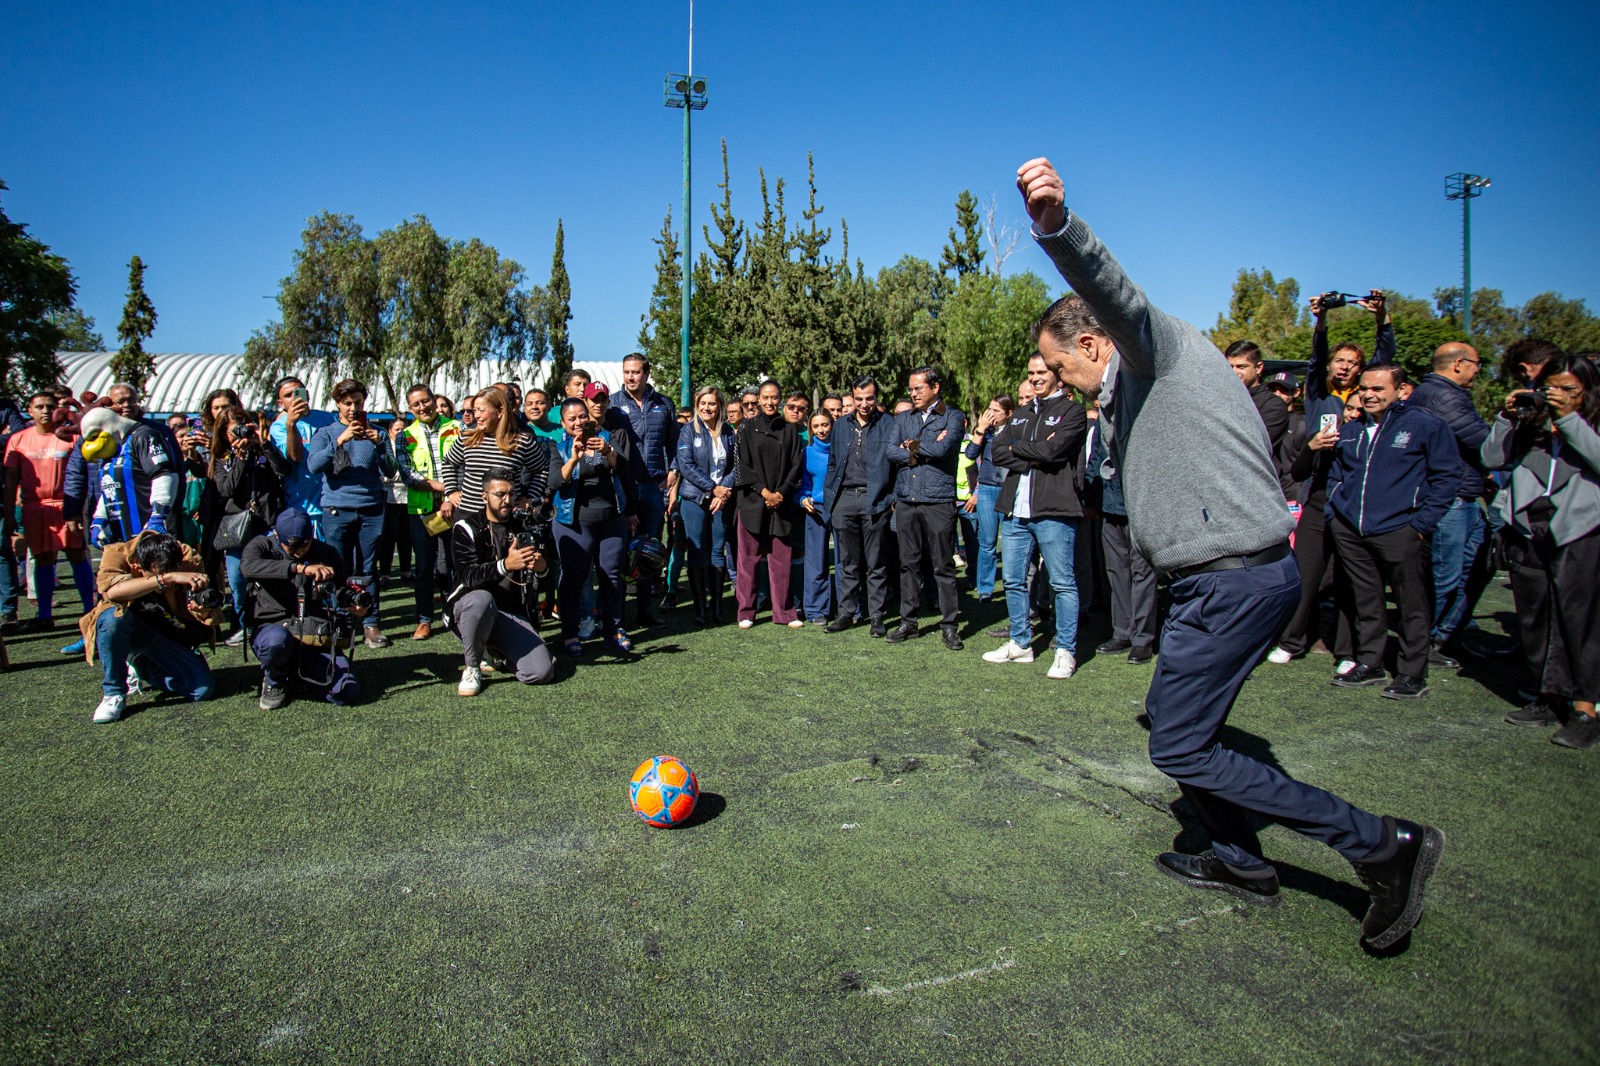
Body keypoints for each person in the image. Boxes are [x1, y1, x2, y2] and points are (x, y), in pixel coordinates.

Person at [1018, 155, 1442, 951]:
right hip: (1215, 582)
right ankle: (1238, 859)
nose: (1064, 382)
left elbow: (1117, 293)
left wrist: (1056, 228)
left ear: (1093, 341)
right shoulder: (1129, 390)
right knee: (1184, 728)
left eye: (1064, 365)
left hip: (1234, 582)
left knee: (1179, 742)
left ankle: (1385, 846)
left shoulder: (1160, 350)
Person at [1481, 354, 1600, 749]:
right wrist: (1506, 416)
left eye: (1571, 389)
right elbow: (1491, 458)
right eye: (1553, 388)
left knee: (1580, 623)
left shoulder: (1589, 424)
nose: (1561, 396)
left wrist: (1569, 420)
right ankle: (1549, 697)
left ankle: (1586, 709)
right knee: (1534, 619)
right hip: (1528, 531)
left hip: (1580, 533)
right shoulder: (1530, 421)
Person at [1325, 365, 1462, 699]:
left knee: (1411, 602)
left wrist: (1420, 524)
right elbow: (1337, 473)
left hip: (1401, 529)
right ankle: (1370, 662)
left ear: (1402, 390)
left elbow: (1447, 476)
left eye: (1379, 388)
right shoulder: (1352, 429)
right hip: (1351, 529)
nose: (1370, 394)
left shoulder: (1425, 427)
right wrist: (1334, 511)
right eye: (1365, 388)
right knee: (1365, 598)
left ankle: (1412, 672)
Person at [984, 354, 1089, 676]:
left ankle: (1066, 650)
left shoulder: (1072, 411)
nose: (1035, 378)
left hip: (1054, 510)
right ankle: (1020, 643)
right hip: (1016, 512)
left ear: (1058, 375)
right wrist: (1032, 450)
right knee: (1014, 580)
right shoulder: (1023, 413)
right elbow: (999, 451)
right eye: (1030, 373)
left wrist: (1021, 448)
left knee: (1062, 583)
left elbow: (1055, 452)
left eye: (1041, 372)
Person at [1404, 342, 1491, 667]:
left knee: (1475, 567)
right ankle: (1424, 643)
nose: (1478, 369)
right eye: (1476, 363)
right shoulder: (1442, 396)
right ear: (1458, 364)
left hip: (1464, 494)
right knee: (1444, 575)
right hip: (1449, 499)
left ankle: (1445, 636)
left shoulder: (1446, 394)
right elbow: (1485, 443)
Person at [77, 529, 219, 723]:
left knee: (202, 689)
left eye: (172, 571)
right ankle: (114, 692)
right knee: (112, 617)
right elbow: (112, 593)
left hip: (165, 631)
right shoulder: (117, 553)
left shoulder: (188, 557)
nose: (167, 582)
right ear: (140, 564)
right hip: (129, 626)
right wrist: (165, 579)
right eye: (160, 572)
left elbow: (205, 609)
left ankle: (141, 666)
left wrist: (199, 609)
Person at [1268, 393, 1363, 671]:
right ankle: (1290, 641)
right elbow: (1298, 472)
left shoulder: (1365, 437)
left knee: (1348, 582)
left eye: (1359, 410)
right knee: (1304, 576)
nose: (1353, 414)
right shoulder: (1325, 435)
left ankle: (1347, 650)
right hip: (1317, 508)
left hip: (1352, 514)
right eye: (1349, 409)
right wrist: (1312, 447)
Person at [445, 469, 555, 696]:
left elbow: (544, 585)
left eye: (512, 493)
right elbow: (467, 576)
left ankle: (496, 653)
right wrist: (505, 565)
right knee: (481, 600)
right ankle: (472, 665)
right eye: (500, 494)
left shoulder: (525, 527)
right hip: (471, 608)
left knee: (541, 672)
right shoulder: (466, 527)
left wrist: (542, 569)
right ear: (485, 496)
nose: (507, 500)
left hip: (512, 612)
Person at [307, 378, 397, 650]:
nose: (353, 408)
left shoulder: (377, 432)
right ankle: (342, 621)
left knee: (368, 569)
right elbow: (314, 466)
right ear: (337, 404)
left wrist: (380, 444)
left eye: (358, 402)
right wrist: (340, 440)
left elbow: (391, 471)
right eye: (347, 403)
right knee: (339, 568)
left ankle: (371, 624)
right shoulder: (325, 432)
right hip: (337, 509)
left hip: (371, 509)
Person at [241, 508, 361, 709]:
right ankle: (275, 680)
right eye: (292, 548)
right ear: (277, 535)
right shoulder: (262, 546)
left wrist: (353, 602)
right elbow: (248, 567)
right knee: (276, 643)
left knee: (347, 693)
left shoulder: (324, 552)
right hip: (272, 627)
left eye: (304, 546)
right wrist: (299, 568)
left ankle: (300, 675)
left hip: (311, 633)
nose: (299, 552)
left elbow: (340, 589)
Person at [884, 368, 967, 649]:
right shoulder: (904, 417)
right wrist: (922, 447)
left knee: (943, 564)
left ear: (935, 387)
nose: (913, 394)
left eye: (918, 388)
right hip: (907, 500)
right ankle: (908, 622)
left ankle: (949, 625)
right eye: (910, 389)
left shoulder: (953, 417)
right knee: (908, 564)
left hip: (938, 502)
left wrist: (910, 447)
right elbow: (889, 451)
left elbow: (945, 450)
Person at [2, 391, 96, 630]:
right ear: (29, 411)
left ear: (59, 410)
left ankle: (90, 610)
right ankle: (44, 615)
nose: (45, 411)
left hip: (67, 505)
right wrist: (11, 515)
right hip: (34, 507)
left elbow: (84, 473)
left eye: (50, 406)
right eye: (40, 406)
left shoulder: (71, 437)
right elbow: (11, 480)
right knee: (42, 559)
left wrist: (81, 507)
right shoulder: (19, 439)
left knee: (76, 555)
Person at [549, 397, 633, 654]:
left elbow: (624, 468)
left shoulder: (607, 436)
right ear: (563, 423)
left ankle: (614, 629)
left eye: (582, 416)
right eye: (572, 418)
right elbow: (554, 482)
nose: (578, 422)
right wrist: (573, 458)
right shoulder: (556, 444)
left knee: (611, 575)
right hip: (573, 522)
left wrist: (607, 451)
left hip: (610, 519)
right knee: (573, 577)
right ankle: (570, 633)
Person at [1085, 389, 1158, 663]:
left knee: (1142, 574)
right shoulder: (1104, 424)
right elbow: (1094, 463)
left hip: (1139, 510)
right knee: (1116, 572)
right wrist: (1091, 500)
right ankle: (1122, 631)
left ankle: (1143, 639)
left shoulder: (1144, 420)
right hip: (1109, 507)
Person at [208, 405, 288, 646]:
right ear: (223, 434)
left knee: (273, 576)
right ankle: (243, 624)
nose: (240, 436)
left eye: (243, 428)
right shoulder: (222, 459)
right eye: (234, 432)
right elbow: (227, 489)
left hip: (267, 522)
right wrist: (240, 459)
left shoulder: (263, 450)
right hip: (237, 527)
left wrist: (262, 442)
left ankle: (276, 621)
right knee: (237, 580)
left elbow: (283, 470)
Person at [823, 376, 896, 636]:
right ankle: (847, 613)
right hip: (843, 499)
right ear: (852, 398)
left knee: (876, 562)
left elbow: (896, 463)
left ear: (876, 397)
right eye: (859, 399)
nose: (864, 404)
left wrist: (891, 499)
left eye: (869, 398)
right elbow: (832, 463)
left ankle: (877, 615)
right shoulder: (841, 425)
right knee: (847, 561)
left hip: (874, 499)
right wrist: (832, 500)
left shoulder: (889, 424)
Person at [391, 384, 462, 641]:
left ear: (434, 400)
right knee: (423, 567)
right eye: (416, 404)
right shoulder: (404, 435)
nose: (423, 407)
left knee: (456, 563)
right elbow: (408, 474)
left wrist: (450, 496)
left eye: (426, 401)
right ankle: (424, 619)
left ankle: (456, 614)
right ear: (410, 409)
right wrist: (443, 488)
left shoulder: (457, 427)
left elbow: (465, 465)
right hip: (421, 510)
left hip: (454, 506)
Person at [614, 354, 679, 627]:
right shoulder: (614, 404)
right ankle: (617, 615)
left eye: (636, 372)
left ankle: (645, 611)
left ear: (647, 373)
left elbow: (674, 442)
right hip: (622, 488)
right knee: (618, 552)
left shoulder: (663, 404)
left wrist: (674, 470)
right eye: (627, 372)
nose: (631, 377)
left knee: (648, 552)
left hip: (653, 488)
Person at [732, 381, 804, 629]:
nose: (770, 402)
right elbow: (743, 467)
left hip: (781, 505)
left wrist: (781, 493)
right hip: (753, 503)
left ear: (780, 399)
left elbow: (796, 465)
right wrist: (764, 492)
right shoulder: (746, 429)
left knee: (781, 561)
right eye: (765, 398)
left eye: (774, 398)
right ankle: (746, 611)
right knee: (748, 561)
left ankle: (784, 612)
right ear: (759, 400)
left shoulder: (790, 430)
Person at [440, 388, 551, 520]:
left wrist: (529, 498)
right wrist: (451, 491)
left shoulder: (521, 441)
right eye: (475, 410)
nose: (476, 416)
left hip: (506, 517)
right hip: (469, 514)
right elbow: (448, 462)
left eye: (481, 410)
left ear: (500, 411)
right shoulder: (467, 438)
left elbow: (542, 469)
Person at [674, 386, 735, 625]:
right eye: (703, 403)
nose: (707, 408)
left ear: (719, 405)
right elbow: (686, 465)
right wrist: (712, 487)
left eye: (712, 403)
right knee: (697, 549)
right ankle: (700, 606)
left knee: (718, 550)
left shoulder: (729, 432)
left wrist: (723, 492)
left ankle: (718, 606)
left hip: (722, 499)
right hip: (694, 498)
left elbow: (735, 467)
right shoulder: (688, 431)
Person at [267, 377, 337, 537]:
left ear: (307, 395)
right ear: (280, 403)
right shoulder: (279, 427)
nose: (294, 398)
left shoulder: (327, 419)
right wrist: (291, 424)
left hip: (333, 503)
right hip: (304, 507)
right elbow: (295, 457)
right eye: (288, 395)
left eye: (298, 393)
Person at [962, 395, 1013, 602]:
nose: (991, 415)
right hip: (987, 489)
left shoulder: (1015, 431)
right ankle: (985, 588)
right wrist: (981, 430)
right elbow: (970, 454)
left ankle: (1012, 585)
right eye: (989, 410)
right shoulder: (986, 433)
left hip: (1008, 488)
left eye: (996, 411)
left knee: (1010, 541)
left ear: (1009, 414)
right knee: (987, 542)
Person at [798, 409, 834, 625]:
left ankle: (851, 607)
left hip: (841, 508)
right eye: (816, 426)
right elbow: (801, 484)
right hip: (816, 510)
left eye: (825, 425)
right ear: (810, 429)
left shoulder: (842, 450)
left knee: (845, 562)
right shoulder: (807, 453)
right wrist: (802, 498)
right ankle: (815, 610)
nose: (821, 430)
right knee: (816, 562)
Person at [1224, 341, 1290, 453]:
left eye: (1241, 367)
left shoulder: (1273, 405)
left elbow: (1255, 446)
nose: (1234, 372)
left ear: (1258, 368)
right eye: (1230, 367)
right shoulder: (1221, 399)